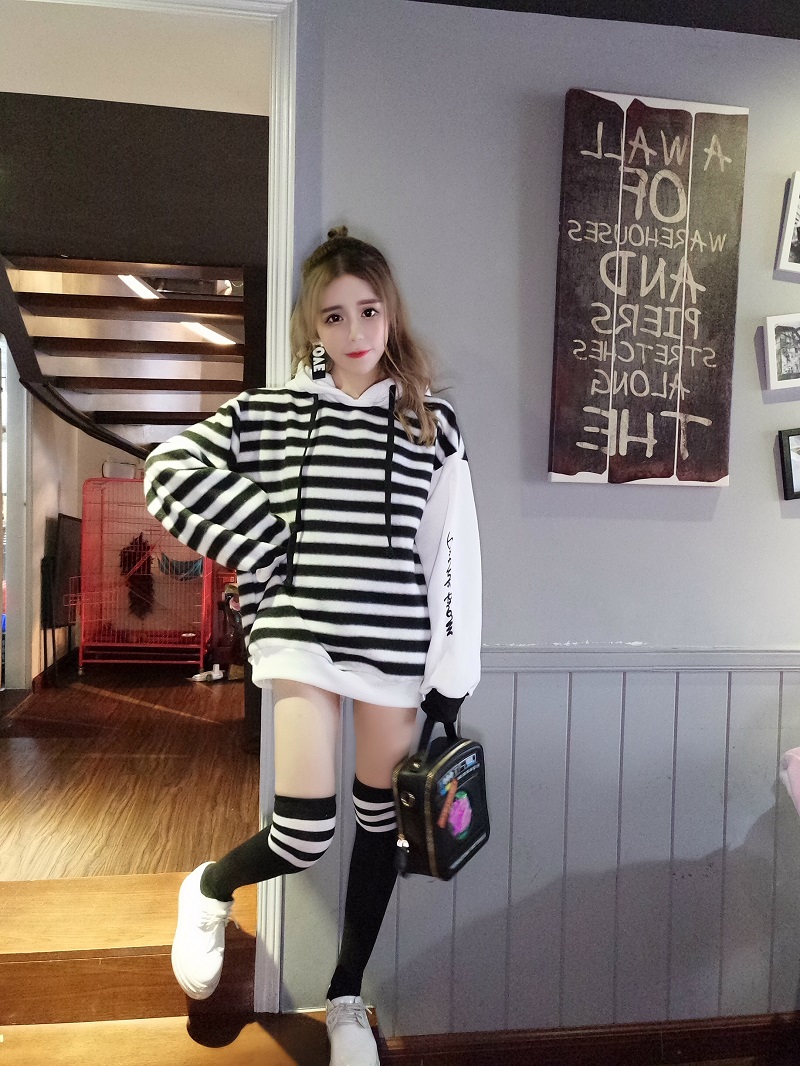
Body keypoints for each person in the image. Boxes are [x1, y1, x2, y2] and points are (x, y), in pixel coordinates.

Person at [143, 227, 482, 1066]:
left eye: (368, 311)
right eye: (334, 316)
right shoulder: (269, 414)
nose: (354, 331)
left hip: (393, 647)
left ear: (390, 312)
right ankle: (209, 888)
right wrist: (264, 539)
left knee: (384, 829)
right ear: (311, 326)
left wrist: (453, 673)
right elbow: (168, 469)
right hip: (300, 636)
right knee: (302, 832)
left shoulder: (430, 422)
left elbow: (452, 553)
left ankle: (345, 1000)